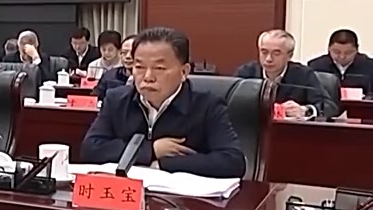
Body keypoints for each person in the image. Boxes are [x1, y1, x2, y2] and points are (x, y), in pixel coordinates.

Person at [81, 27, 246, 178]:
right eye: (139, 67)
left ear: (184, 72)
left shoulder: (207, 106)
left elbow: (232, 162)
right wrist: (151, 150)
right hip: (127, 195)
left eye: (159, 68)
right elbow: (90, 149)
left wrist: (163, 164)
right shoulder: (116, 100)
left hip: (180, 197)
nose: (147, 77)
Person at [234, 29, 336, 120]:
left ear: (289, 56)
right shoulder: (246, 73)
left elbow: (330, 107)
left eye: (276, 53)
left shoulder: (303, 75)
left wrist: (305, 110)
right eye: (264, 52)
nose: (269, 59)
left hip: (289, 131)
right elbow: (230, 103)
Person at [308, 28, 373, 96]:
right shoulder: (315, 66)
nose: (342, 57)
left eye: (348, 52)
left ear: (357, 49)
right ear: (329, 48)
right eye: (336, 52)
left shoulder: (370, 67)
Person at [94, 34, 135, 99]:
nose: (128, 56)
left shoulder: (147, 79)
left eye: (133, 53)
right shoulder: (109, 75)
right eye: (124, 52)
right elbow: (96, 97)